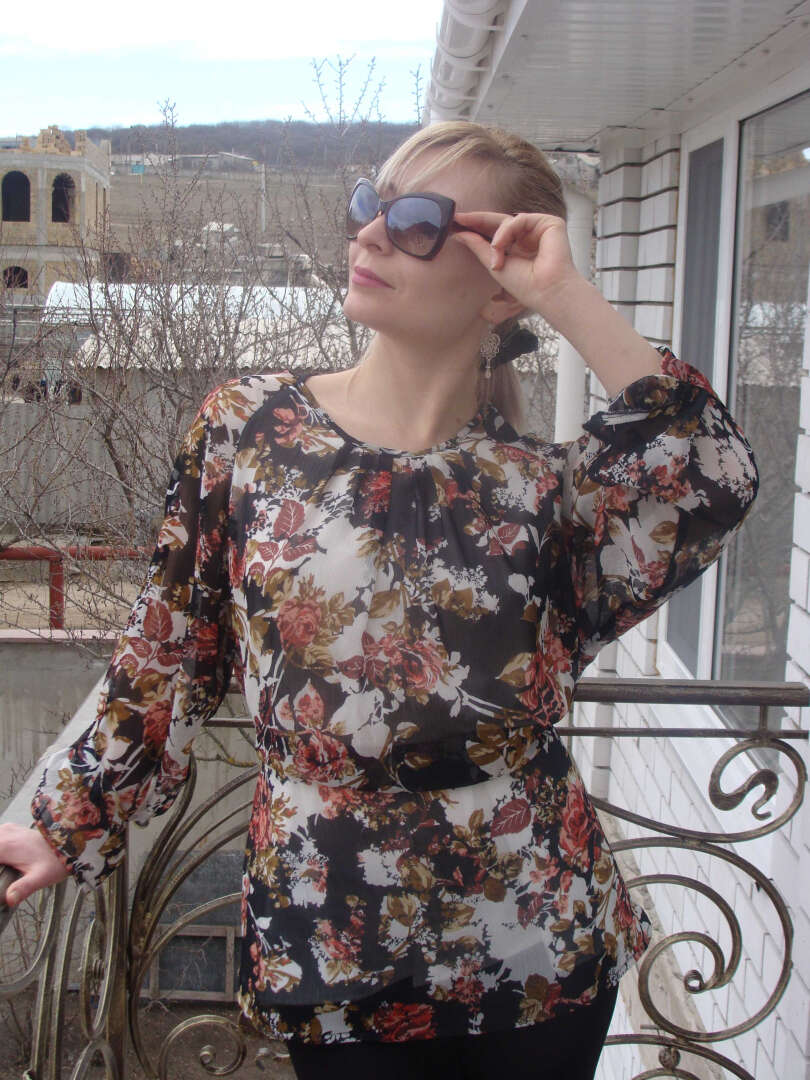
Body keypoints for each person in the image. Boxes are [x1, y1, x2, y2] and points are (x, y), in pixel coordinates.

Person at [0, 122, 758, 1079]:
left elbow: (713, 474)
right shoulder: (249, 429)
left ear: (499, 285)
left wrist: (565, 295)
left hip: (537, 931)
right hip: (328, 931)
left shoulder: (545, 487)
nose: (368, 234)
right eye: (370, 204)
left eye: (418, 223)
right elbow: (172, 647)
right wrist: (66, 817)